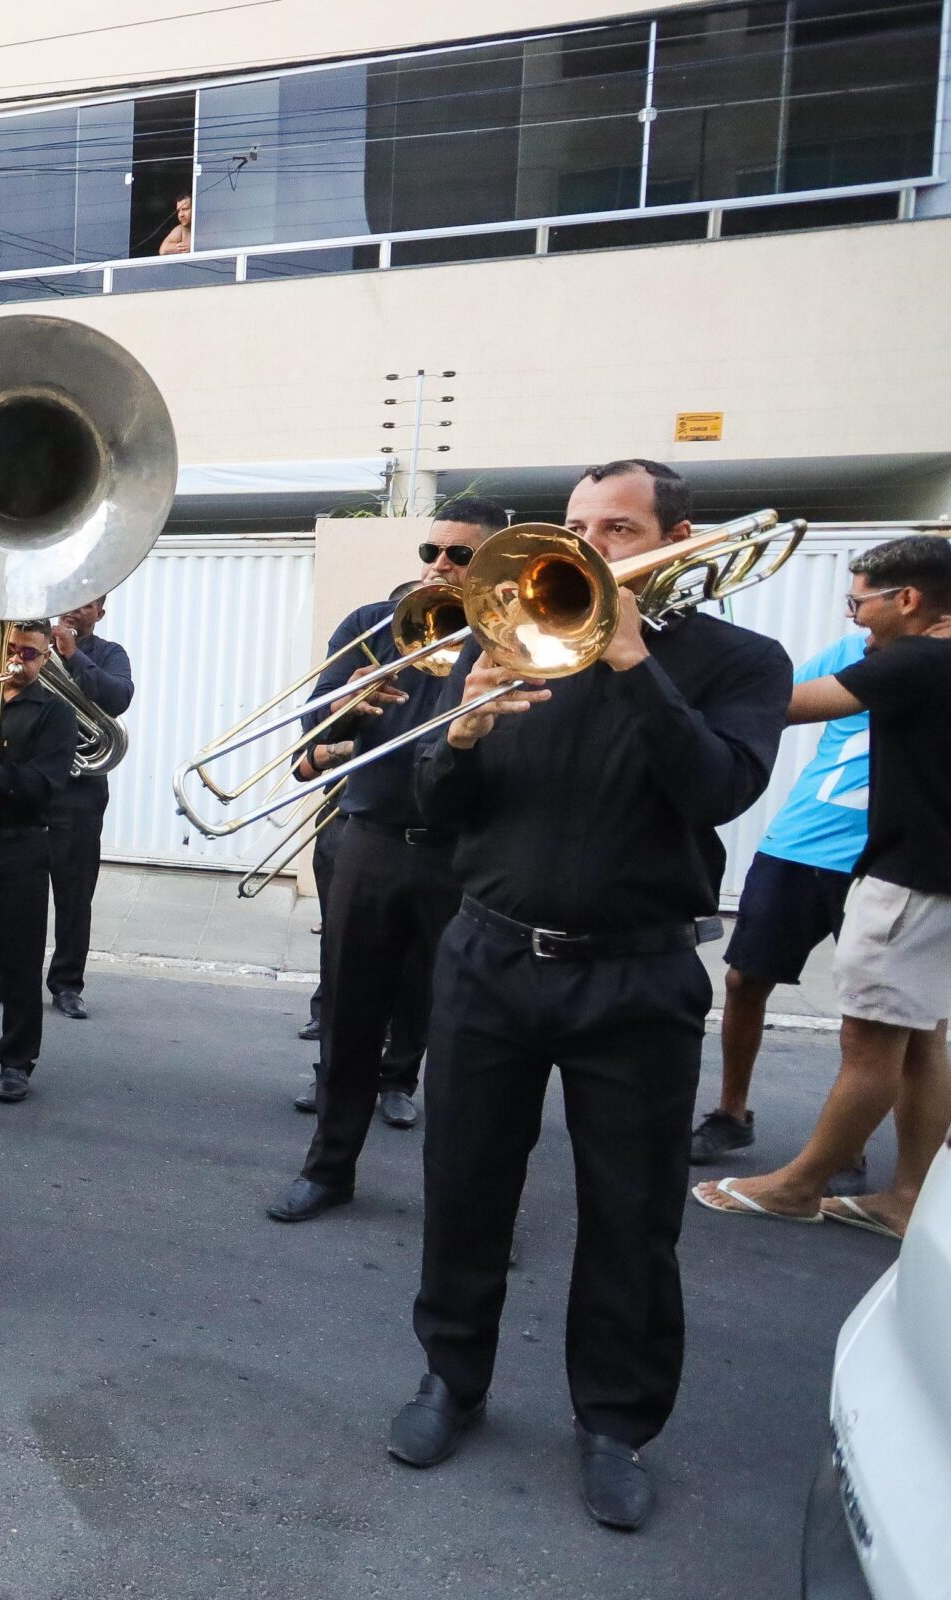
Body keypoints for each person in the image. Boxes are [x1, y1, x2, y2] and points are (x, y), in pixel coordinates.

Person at [392, 460, 790, 1531]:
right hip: (488, 958)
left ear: (677, 536)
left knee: (631, 1211)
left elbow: (718, 786)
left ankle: (614, 1421)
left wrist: (628, 659)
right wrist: (460, 734)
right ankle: (450, 1379)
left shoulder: (738, 661)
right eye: (575, 526)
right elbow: (436, 814)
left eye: (616, 528)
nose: (589, 546)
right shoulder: (504, 636)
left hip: (638, 971)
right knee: (463, 1181)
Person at [693, 535, 951, 1241]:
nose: (853, 618)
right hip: (937, 883)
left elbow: (787, 705)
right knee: (922, 1037)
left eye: (857, 602)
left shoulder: (920, 660)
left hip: (906, 879)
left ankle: (798, 1186)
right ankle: (906, 1195)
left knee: (870, 1041)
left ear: (908, 599)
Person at [264, 513, 489, 1222]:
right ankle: (329, 1169)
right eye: (432, 550)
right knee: (349, 1010)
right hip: (370, 839)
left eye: (461, 554)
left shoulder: (521, 637)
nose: (441, 564)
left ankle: (471, 1200)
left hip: (467, 851)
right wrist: (349, 713)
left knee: (470, 1034)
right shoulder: (373, 622)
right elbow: (310, 746)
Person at [688, 628, 871, 1177]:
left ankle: (847, 1142)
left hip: (882, 857)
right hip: (799, 841)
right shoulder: (855, 649)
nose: (857, 614)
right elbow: (775, 703)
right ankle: (731, 1113)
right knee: (745, 979)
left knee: (873, 1013)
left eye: (865, 600)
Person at [0, 619, 78, 1104]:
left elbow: (44, 783)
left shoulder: (56, 713)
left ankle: (16, 1062)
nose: (17, 660)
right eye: (12, 649)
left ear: (46, 658)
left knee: (19, 961)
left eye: (30, 654)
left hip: (22, 843)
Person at [43, 593, 136, 1021]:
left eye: (88, 604)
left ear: (100, 613)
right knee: (9, 891)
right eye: (70, 600)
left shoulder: (108, 654)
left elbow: (118, 698)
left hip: (79, 791)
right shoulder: (26, 642)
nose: (75, 608)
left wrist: (73, 655)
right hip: (28, 783)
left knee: (74, 894)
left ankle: (67, 984)